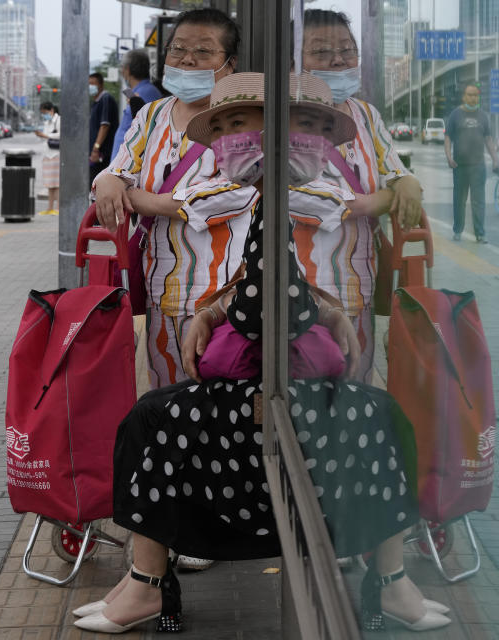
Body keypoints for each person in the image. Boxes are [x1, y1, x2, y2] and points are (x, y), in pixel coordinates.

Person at [74, 72, 451, 635]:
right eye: (221, 127)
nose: (232, 139)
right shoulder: (264, 192)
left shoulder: (291, 192)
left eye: (243, 124)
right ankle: (147, 582)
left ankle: (149, 584)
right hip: (273, 376)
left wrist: (249, 312)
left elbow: (269, 301)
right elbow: (268, 286)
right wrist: (229, 311)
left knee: (154, 422)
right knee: (151, 419)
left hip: (280, 387)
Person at [92, 7, 255, 573]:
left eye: (202, 51)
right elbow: (118, 170)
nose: (185, 61)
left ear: (227, 64)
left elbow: (224, 198)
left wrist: (141, 199)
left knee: (214, 406)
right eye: (178, 51)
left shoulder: (242, 121)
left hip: (220, 294)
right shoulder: (152, 114)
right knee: (166, 404)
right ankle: (181, 523)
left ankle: (217, 522)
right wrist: (111, 179)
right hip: (162, 290)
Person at [293, 8, 423, 384]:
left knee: (355, 387)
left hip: (359, 285)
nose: (337, 59)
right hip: (298, 291)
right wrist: (376, 201)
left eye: (347, 49)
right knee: (299, 395)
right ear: (294, 61)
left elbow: (396, 172)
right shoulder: (279, 117)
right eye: (321, 51)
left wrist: (406, 183)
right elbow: (304, 199)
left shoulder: (366, 115)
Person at [444, 84, 498, 243]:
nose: (473, 98)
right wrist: (448, 156)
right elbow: (448, 137)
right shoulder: (455, 115)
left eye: (476, 95)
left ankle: (480, 234)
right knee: (459, 200)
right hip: (459, 166)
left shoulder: (483, 116)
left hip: (478, 166)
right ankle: (458, 230)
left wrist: (495, 159)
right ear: (464, 97)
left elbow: (488, 139)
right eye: (470, 95)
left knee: (478, 201)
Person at [110, 48, 162, 160]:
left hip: (130, 164)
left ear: (127, 70)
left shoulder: (146, 93)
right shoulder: (141, 91)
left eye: (122, 69)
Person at [88, 72, 119, 187]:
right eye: (89, 84)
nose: (90, 86)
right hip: (96, 154)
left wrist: (96, 148)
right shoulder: (95, 102)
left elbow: (104, 125)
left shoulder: (105, 98)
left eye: (93, 84)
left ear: (100, 85)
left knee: (97, 186)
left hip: (102, 154)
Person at [34, 102, 60, 215]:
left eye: (45, 112)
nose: (44, 115)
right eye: (43, 113)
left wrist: (46, 136)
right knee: (49, 184)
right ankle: (50, 208)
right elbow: (45, 138)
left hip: (56, 154)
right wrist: (41, 135)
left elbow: (61, 134)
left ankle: (58, 208)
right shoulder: (47, 122)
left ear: (52, 110)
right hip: (47, 155)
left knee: (57, 184)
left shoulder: (59, 120)